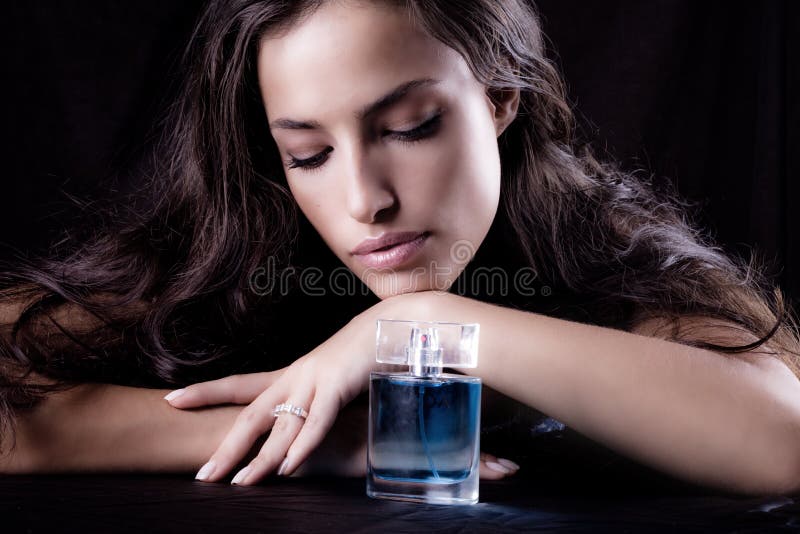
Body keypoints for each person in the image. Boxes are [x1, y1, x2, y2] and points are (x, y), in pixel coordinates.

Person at [1, 0, 799, 495]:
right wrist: (314, 435)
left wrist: (428, 320)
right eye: (309, 155)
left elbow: (784, 439)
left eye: (410, 127)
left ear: (499, 98)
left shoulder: (598, 248)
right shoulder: (240, 259)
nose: (365, 201)